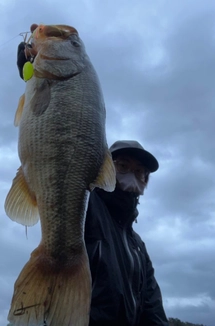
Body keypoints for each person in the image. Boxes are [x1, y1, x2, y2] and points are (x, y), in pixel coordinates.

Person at [17, 41, 169, 326]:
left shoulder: (138, 247)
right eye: (123, 165)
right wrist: (33, 78)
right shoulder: (90, 208)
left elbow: (152, 309)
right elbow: (60, 159)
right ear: (105, 166)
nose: (132, 175)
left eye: (140, 172)